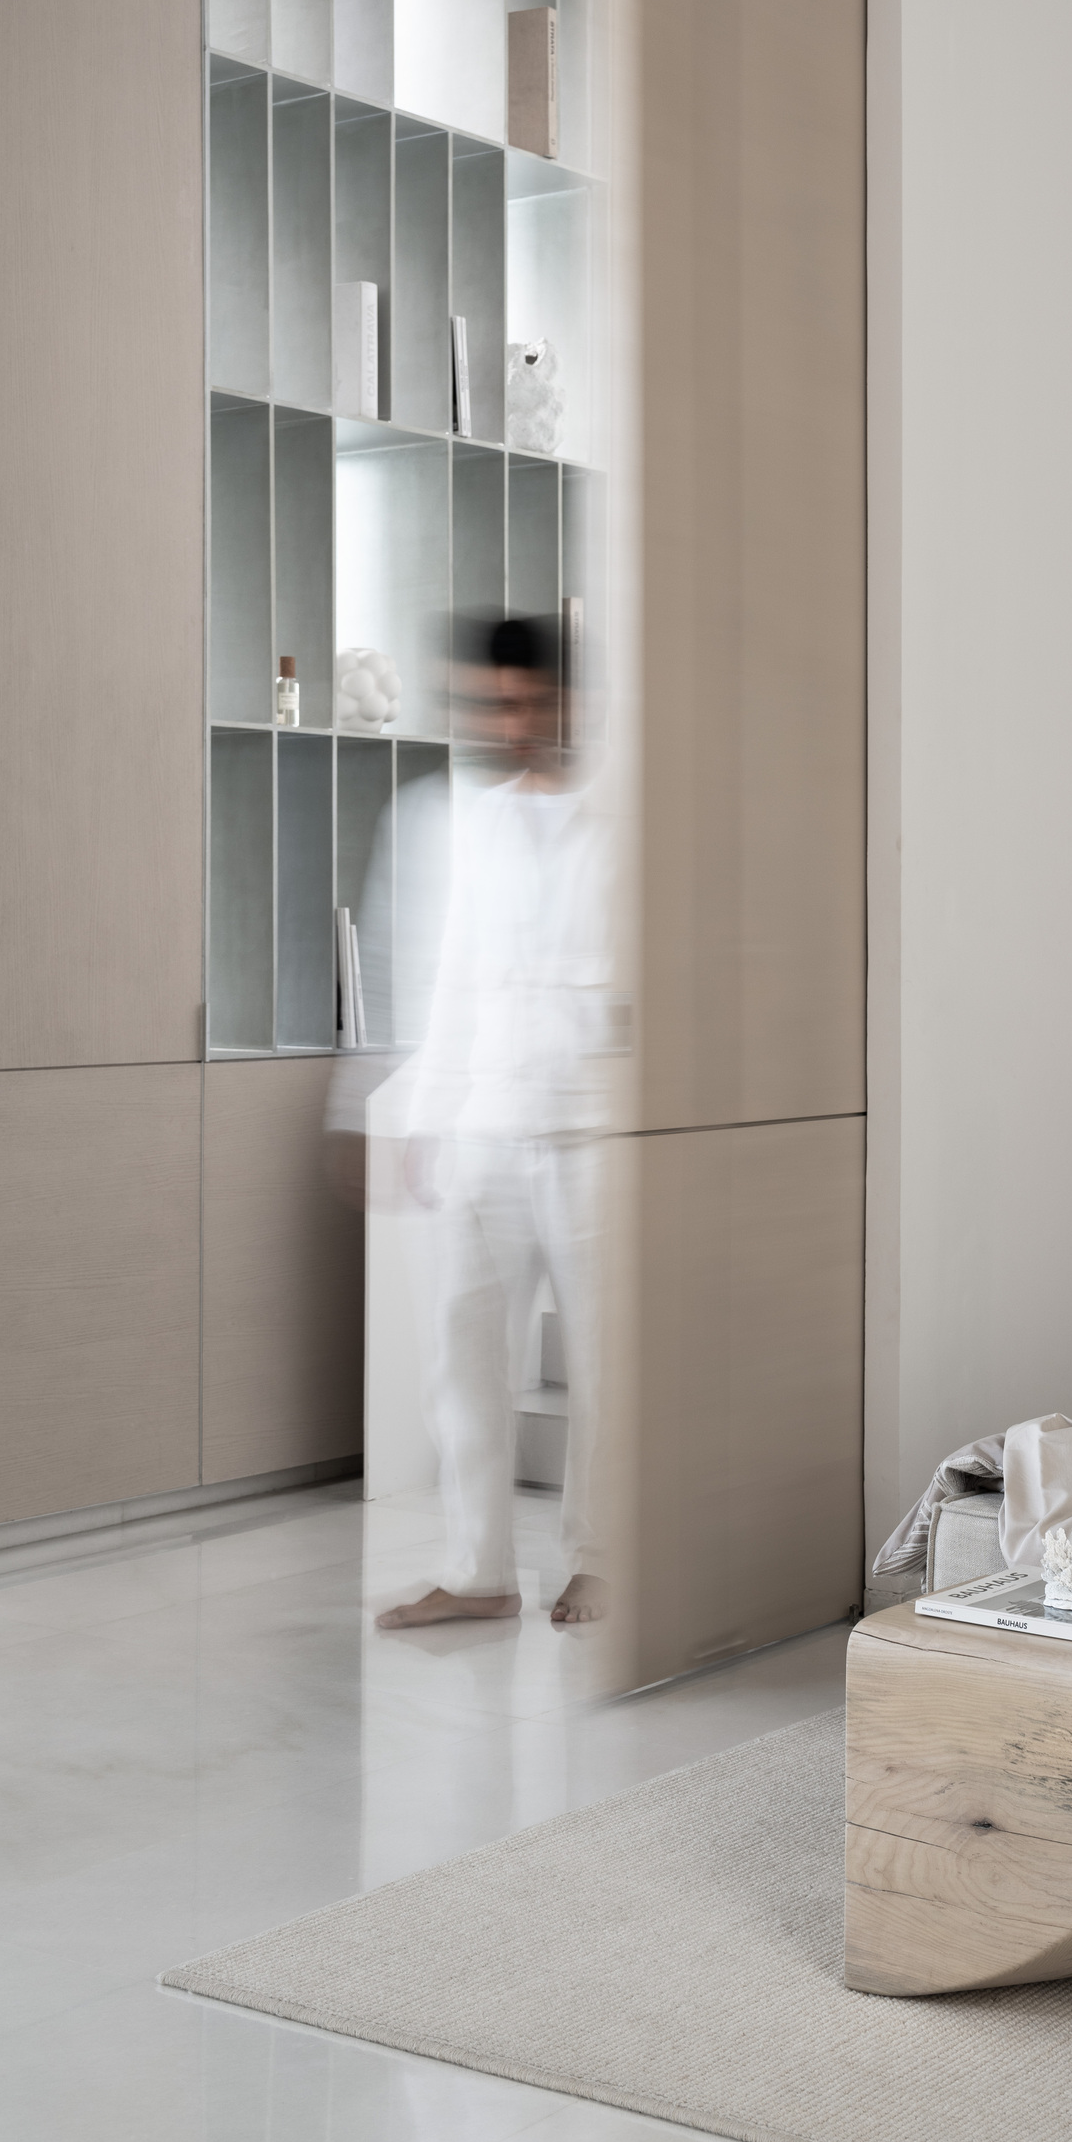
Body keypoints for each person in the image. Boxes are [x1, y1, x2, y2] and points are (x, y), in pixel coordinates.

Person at [375, 614, 627, 1632]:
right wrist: (421, 1116)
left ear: (568, 702)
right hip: (481, 1120)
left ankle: (600, 1559)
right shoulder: (471, 819)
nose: (505, 722)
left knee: (610, 1364)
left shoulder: (625, 820)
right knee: (462, 1357)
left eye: (522, 701)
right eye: (489, 703)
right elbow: (451, 978)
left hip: (589, 1131)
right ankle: (476, 1571)